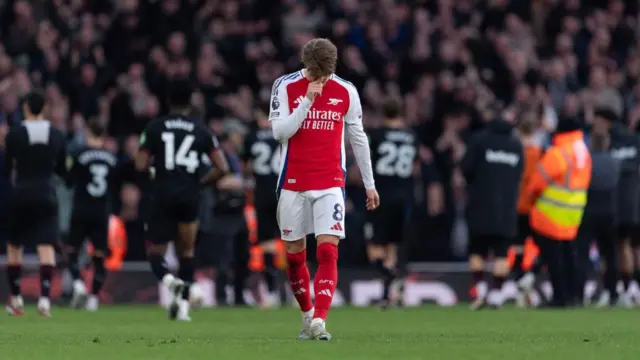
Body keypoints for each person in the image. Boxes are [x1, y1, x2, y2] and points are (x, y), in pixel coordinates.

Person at [268, 38, 378, 341]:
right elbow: (280, 133)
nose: (324, 78)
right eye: (319, 73)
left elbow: (358, 137)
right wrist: (307, 101)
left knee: (328, 250)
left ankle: (320, 320)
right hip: (292, 183)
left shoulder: (346, 90)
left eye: (328, 73)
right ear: (308, 66)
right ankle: (306, 313)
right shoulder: (285, 86)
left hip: (330, 182)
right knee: (294, 256)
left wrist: (369, 183)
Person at [135, 79, 229, 321]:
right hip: (189, 195)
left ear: (168, 101)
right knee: (186, 252)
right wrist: (200, 183)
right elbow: (222, 167)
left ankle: (169, 281)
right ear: (190, 102)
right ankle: (183, 309)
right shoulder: (201, 130)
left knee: (156, 253)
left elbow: (140, 164)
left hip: (162, 194)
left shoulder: (154, 127)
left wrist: (154, 176)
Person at [4, 91, 67, 317]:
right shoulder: (56, 135)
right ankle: (44, 301)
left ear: (26, 108)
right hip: (46, 194)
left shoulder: (15, 134)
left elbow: (6, 167)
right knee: (46, 247)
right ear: (44, 109)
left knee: (14, 246)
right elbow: (62, 170)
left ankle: (17, 299)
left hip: (21, 193)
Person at [525, 116, 591, 308]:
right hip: (573, 215)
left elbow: (536, 184)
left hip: (550, 215)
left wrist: (530, 199)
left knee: (555, 260)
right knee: (570, 257)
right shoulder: (583, 152)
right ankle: (573, 296)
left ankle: (560, 297)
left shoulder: (558, 153)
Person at [460, 110, 524, 309]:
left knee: (477, 250)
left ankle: (479, 291)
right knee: (502, 253)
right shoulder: (516, 145)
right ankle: (496, 294)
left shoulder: (479, 141)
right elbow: (519, 174)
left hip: (480, 205)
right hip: (507, 208)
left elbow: (465, 168)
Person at [367, 98, 418, 309]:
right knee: (392, 247)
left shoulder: (377, 136)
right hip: (404, 196)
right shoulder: (411, 137)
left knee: (374, 247)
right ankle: (390, 294)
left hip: (380, 195)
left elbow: (366, 161)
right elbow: (415, 166)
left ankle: (391, 277)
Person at [65, 119, 119, 311]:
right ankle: (94, 298)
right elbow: (116, 185)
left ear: (88, 134)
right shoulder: (112, 158)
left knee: (71, 252)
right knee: (99, 257)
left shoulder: (79, 155)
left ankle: (78, 284)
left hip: (81, 210)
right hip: (100, 213)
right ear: (103, 136)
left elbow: (69, 181)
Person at [592, 108, 640, 307]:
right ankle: (632, 288)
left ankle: (624, 289)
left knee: (619, 247)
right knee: (634, 246)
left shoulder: (608, 145)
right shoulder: (636, 142)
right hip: (635, 202)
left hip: (615, 205)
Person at [242, 104, 283, 307]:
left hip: (262, 194)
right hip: (285, 194)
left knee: (267, 244)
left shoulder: (251, 138)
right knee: (294, 241)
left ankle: (272, 291)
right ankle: (299, 290)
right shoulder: (285, 133)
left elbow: (246, 168)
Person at [575, 131, 619, 307]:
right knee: (610, 255)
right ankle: (613, 293)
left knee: (582, 255)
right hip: (610, 214)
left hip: (588, 212)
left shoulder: (586, 161)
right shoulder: (615, 162)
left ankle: (578, 294)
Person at [511, 110, 543, 307]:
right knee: (540, 248)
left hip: (515, 208)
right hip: (536, 209)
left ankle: (521, 283)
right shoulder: (541, 154)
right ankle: (529, 277)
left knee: (517, 249)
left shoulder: (514, 153)